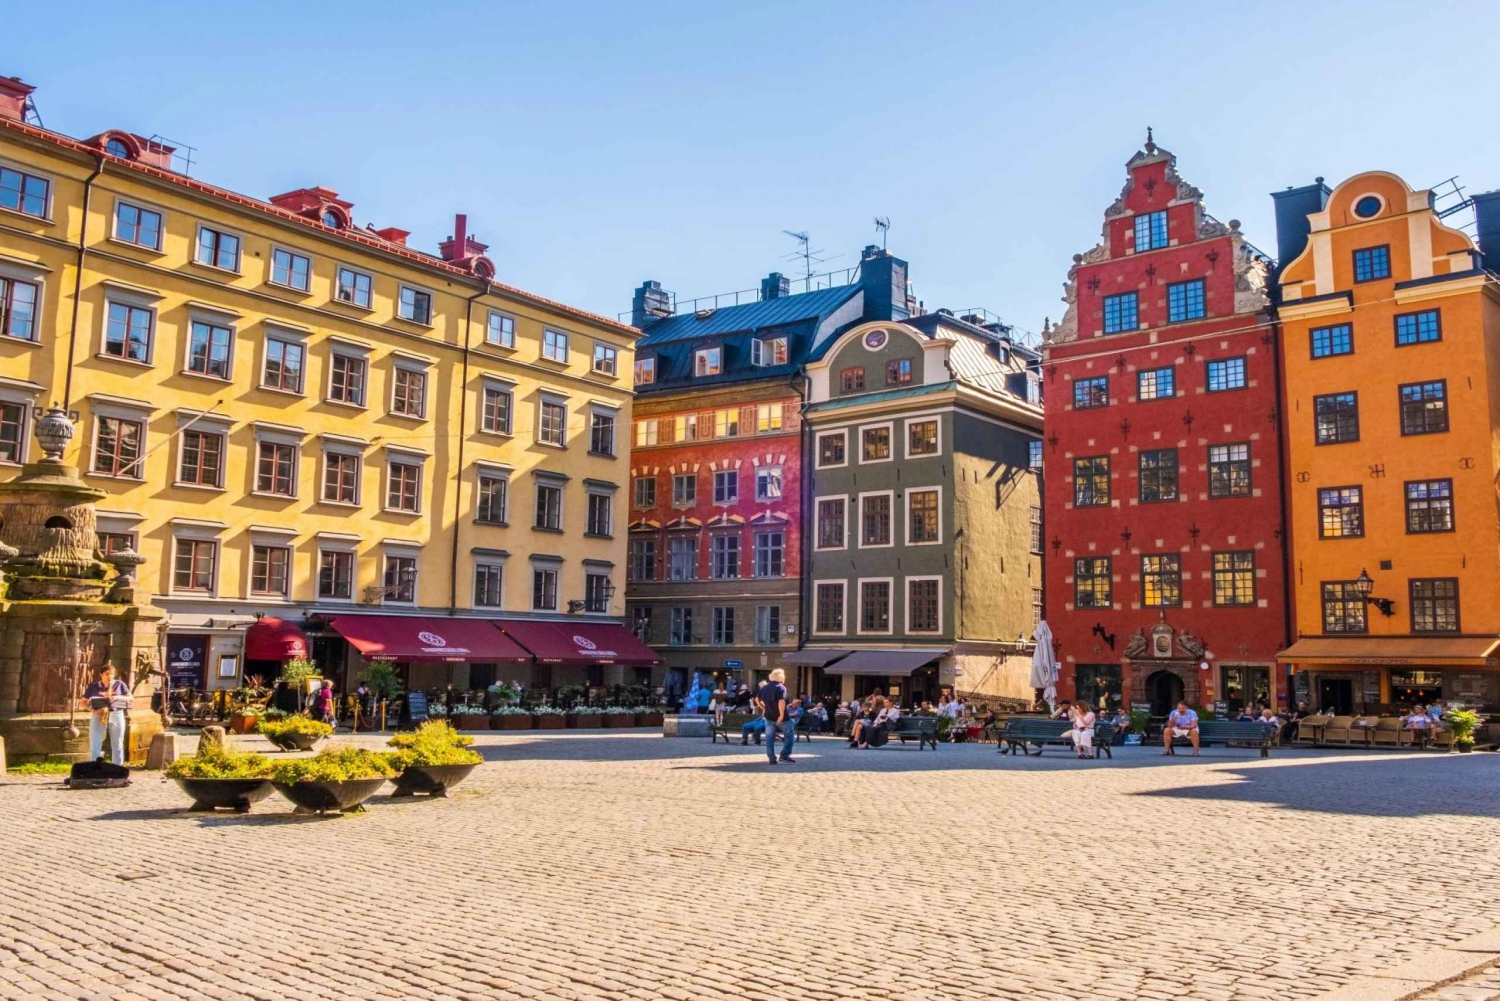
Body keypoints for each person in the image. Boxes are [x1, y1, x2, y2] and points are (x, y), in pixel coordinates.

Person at [82, 664, 131, 765]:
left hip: (116, 713)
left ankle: (118, 768)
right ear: (101, 675)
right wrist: (93, 711)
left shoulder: (120, 684)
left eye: (112, 674)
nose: (110, 677)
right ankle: (94, 768)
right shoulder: (94, 686)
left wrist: (118, 697)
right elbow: (82, 702)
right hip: (99, 714)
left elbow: (131, 697)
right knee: (95, 743)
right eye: (107, 674)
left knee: (117, 744)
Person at [758, 668, 791, 765]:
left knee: (769, 738)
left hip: (768, 717)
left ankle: (771, 758)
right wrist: (781, 715)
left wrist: (764, 708)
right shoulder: (781, 687)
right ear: (781, 678)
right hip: (782, 718)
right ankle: (784, 755)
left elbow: (756, 700)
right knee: (789, 735)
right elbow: (781, 701)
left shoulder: (765, 687)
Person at [779, 698, 805, 762]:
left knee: (786, 723)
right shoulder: (789, 708)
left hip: (794, 720)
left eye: (794, 703)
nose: (793, 703)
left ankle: (786, 736)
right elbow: (783, 711)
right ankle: (784, 735)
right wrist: (787, 706)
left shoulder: (800, 709)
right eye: (792, 702)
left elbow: (794, 715)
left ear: (798, 704)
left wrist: (786, 715)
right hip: (787, 720)